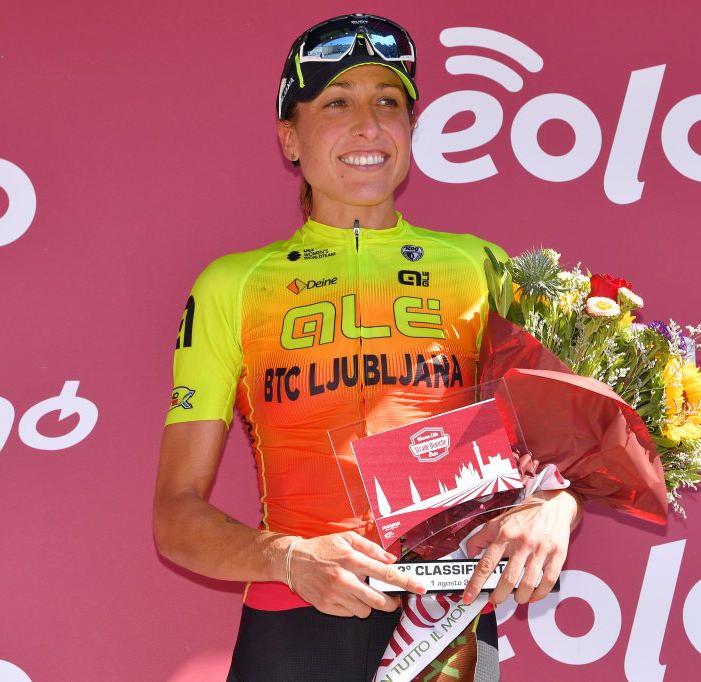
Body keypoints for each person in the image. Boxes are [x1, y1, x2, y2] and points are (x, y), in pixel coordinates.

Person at [153, 13, 582, 681]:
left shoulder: (483, 268)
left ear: (411, 130)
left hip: (446, 619)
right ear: (289, 139)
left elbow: (565, 444)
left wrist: (556, 505)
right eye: (337, 103)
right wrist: (290, 558)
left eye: (389, 102)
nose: (368, 124)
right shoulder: (232, 285)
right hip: (293, 621)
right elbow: (175, 515)